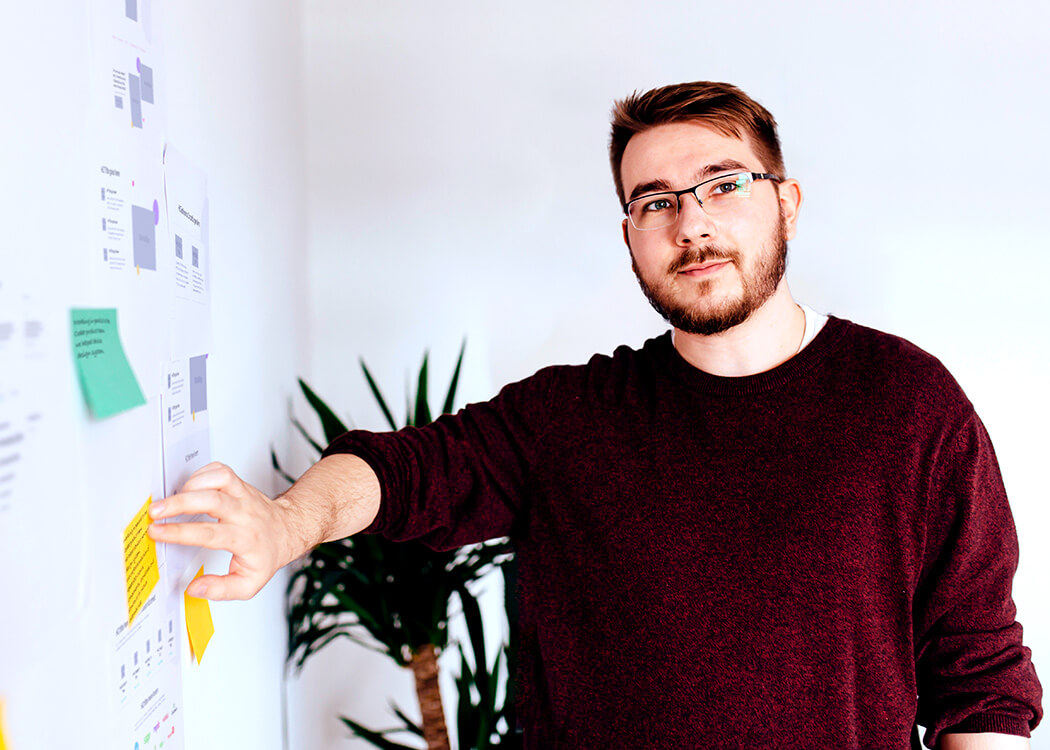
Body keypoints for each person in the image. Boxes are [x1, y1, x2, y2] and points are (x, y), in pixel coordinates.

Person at [148, 81, 1042, 748]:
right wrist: (284, 520)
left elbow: (980, 673)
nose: (690, 223)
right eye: (654, 201)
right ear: (631, 239)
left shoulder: (909, 405)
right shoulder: (572, 419)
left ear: (788, 203)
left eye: (722, 183)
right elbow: (405, 471)